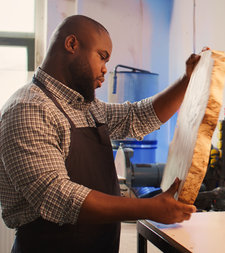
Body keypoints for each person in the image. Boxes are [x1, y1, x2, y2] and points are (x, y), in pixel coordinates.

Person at [0, 15, 199, 252]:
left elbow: (136, 117)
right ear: (72, 44)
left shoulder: (86, 107)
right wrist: (149, 208)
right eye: (102, 57)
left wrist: (187, 80)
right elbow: (56, 196)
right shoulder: (29, 109)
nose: (105, 70)